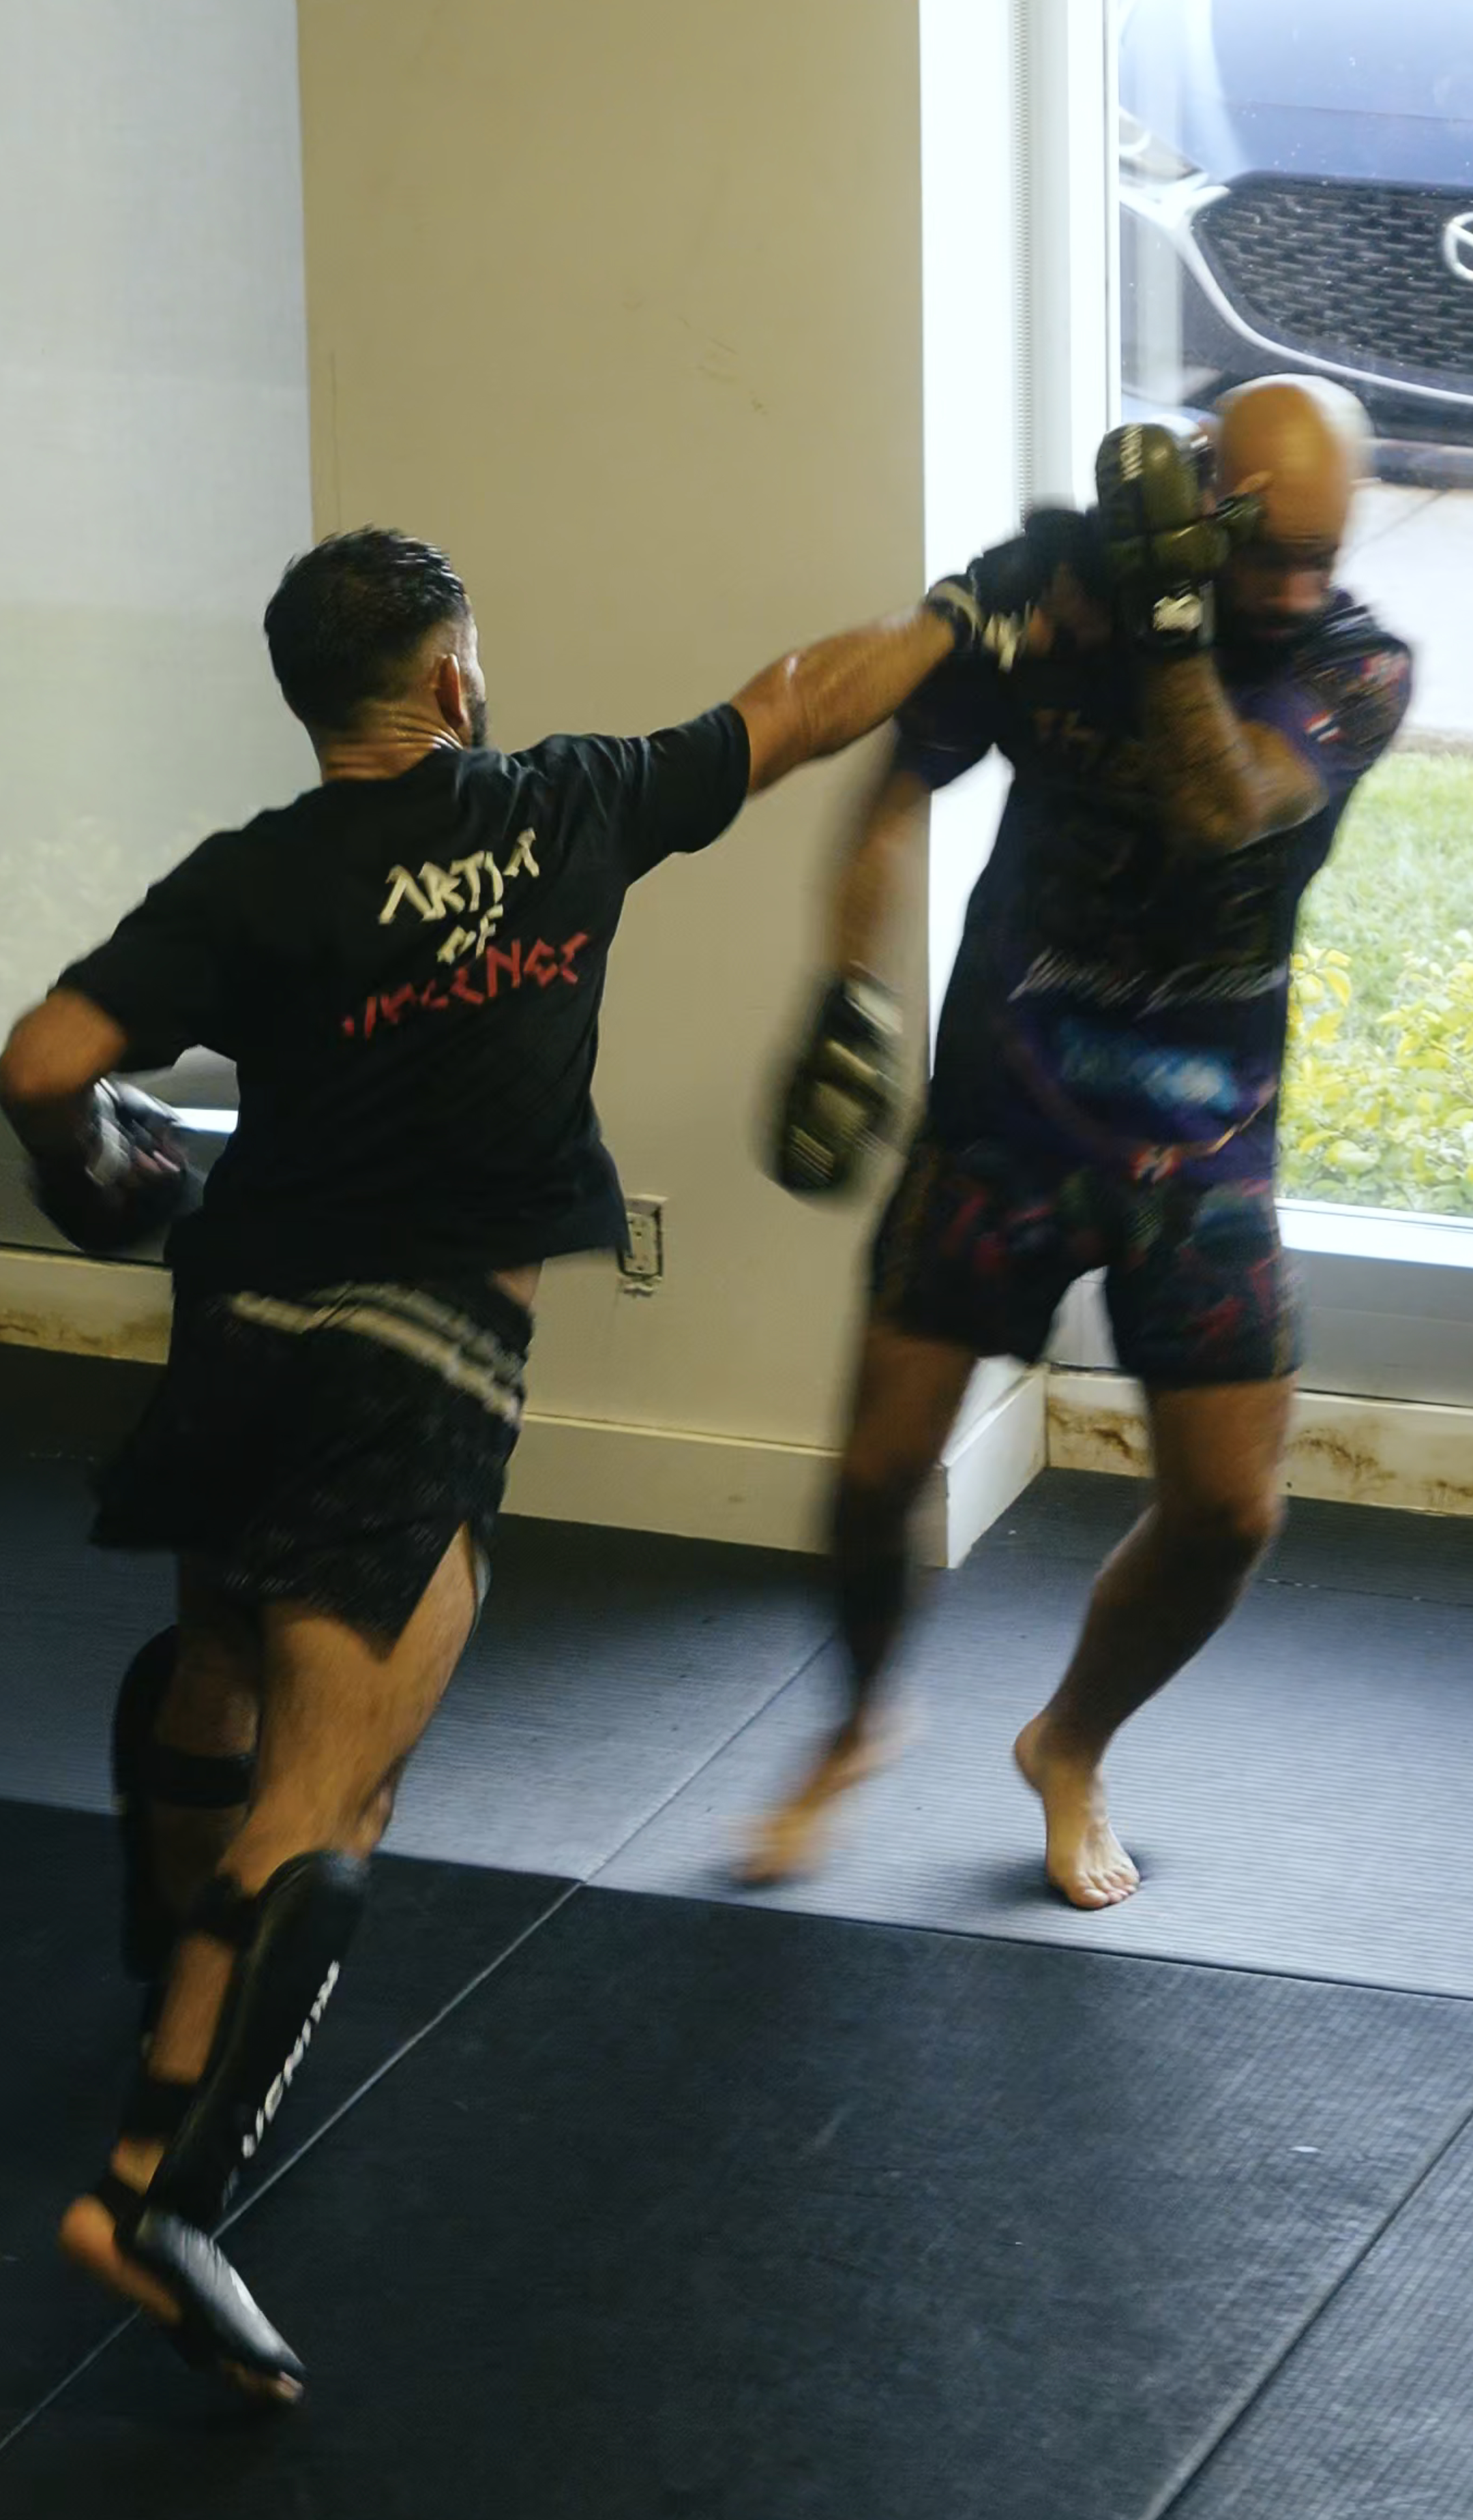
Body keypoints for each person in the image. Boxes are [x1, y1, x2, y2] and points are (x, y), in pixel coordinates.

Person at [0, 526, 991, 2401]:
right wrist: (965, 619)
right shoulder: (564, 810)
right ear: (452, 681)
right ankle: (154, 2186)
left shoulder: (252, 879)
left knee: (221, 1650)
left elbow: (43, 1051)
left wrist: (99, 1166)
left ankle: (168, 1954)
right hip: (421, 1361)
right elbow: (791, 707)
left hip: (242, 1324)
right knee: (334, 1792)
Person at [750, 376, 1412, 1909]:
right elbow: (896, 775)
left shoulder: (1355, 664)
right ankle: (857, 1725)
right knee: (874, 1474)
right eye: (1272, 553)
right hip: (1004, 1105)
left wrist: (1179, 619)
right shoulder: (1056, 588)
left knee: (1231, 1514)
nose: (1300, 589)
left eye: (1325, 552)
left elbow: (1224, 808)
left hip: (1204, 1142)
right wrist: (847, 985)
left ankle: (1071, 1740)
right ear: (1208, 496)